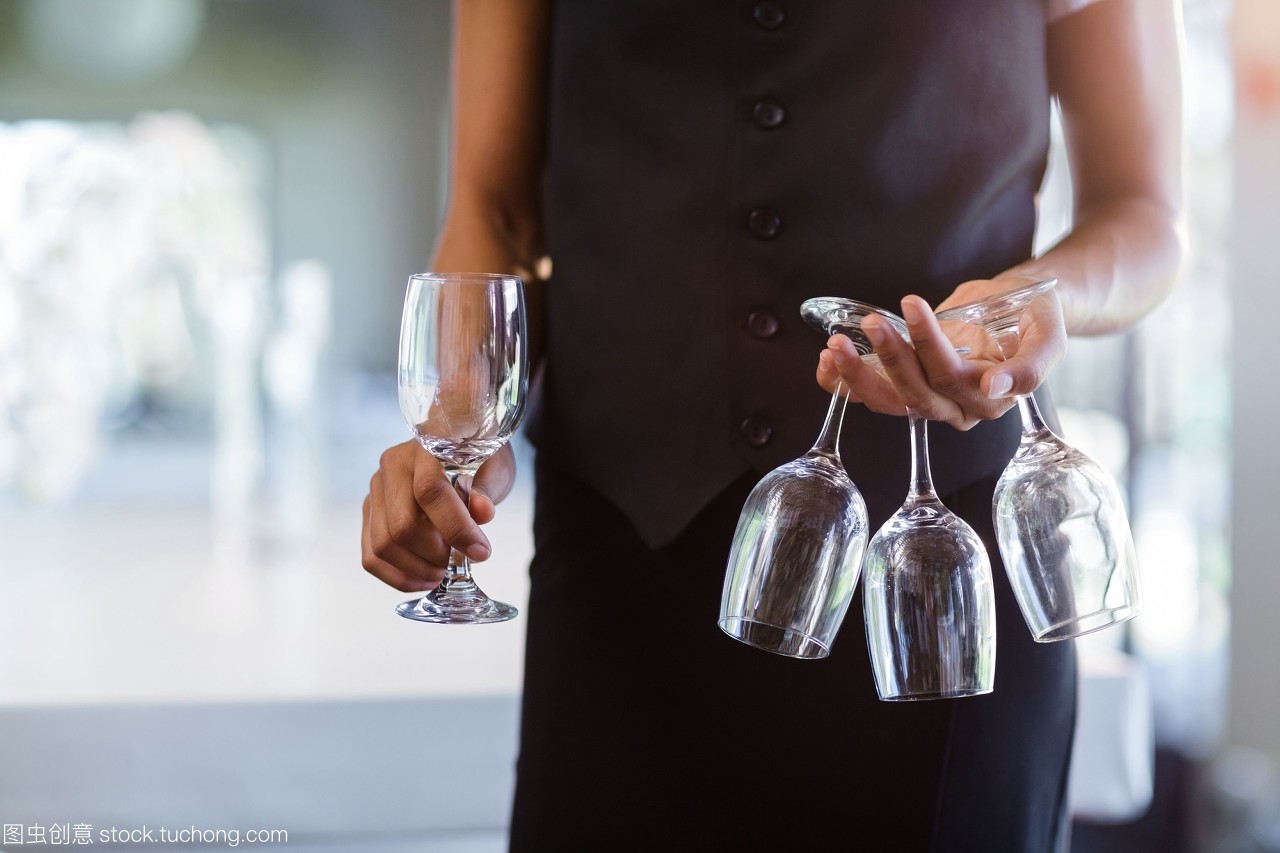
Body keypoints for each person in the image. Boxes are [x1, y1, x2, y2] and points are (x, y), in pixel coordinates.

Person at [361, 1, 1184, 849]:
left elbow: (1144, 213)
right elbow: (495, 212)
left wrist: (1035, 300)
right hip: (622, 578)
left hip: (941, 586)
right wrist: (462, 436)